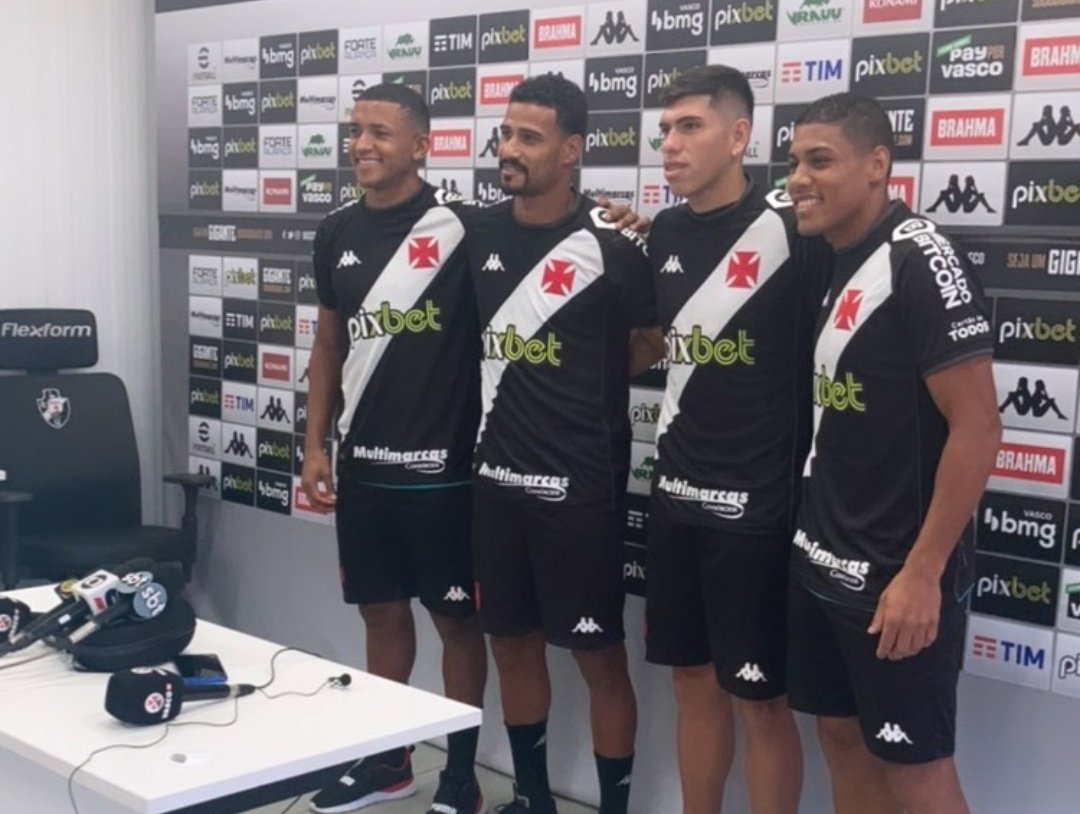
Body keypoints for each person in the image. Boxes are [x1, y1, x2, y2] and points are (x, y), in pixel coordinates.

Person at [785, 93, 1001, 814]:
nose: (799, 179)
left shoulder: (920, 258)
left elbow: (979, 428)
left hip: (895, 577)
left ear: (877, 164)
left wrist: (922, 572)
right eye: (794, 162)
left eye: (820, 161)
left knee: (916, 772)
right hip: (821, 557)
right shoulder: (827, 252)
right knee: (841, 739)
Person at [464, 73, 663, 814]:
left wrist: (586, 380)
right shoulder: (479, 232)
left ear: (572, 150)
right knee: (510, 645)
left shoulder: (615, 240)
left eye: (529, 137)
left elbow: (651, 340)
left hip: (579, 488)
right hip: (495, 481)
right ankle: (532, 799)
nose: (509, 149)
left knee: (598, 656)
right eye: (506, 133)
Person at [643, 64, 830, 814]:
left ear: (739, 136)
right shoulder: (664, 231)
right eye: (665, 129)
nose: (670, 144)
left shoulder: (793, 227)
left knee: (760, 701)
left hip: (758, 509)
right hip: (675, 496)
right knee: (691, 681)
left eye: (690, 127)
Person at [302, 83, 487, 814]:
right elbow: (327, 344)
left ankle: (462, 774)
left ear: (421, 145)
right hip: (365, 469)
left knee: (457, 624)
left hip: (445, 473)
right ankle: (389, 762)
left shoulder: (464, 227)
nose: (362, 144)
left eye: (380, 132)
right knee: (380, 616)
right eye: (356, 131)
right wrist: (315, 446)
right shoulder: (336, 231)